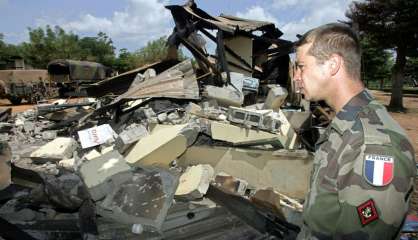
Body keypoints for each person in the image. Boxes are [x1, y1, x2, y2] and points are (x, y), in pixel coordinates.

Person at [293, 23, 416, 239]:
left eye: (301, 66)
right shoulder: (345, 124)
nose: (296, 77)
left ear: (333, 64)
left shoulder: (373, 144)